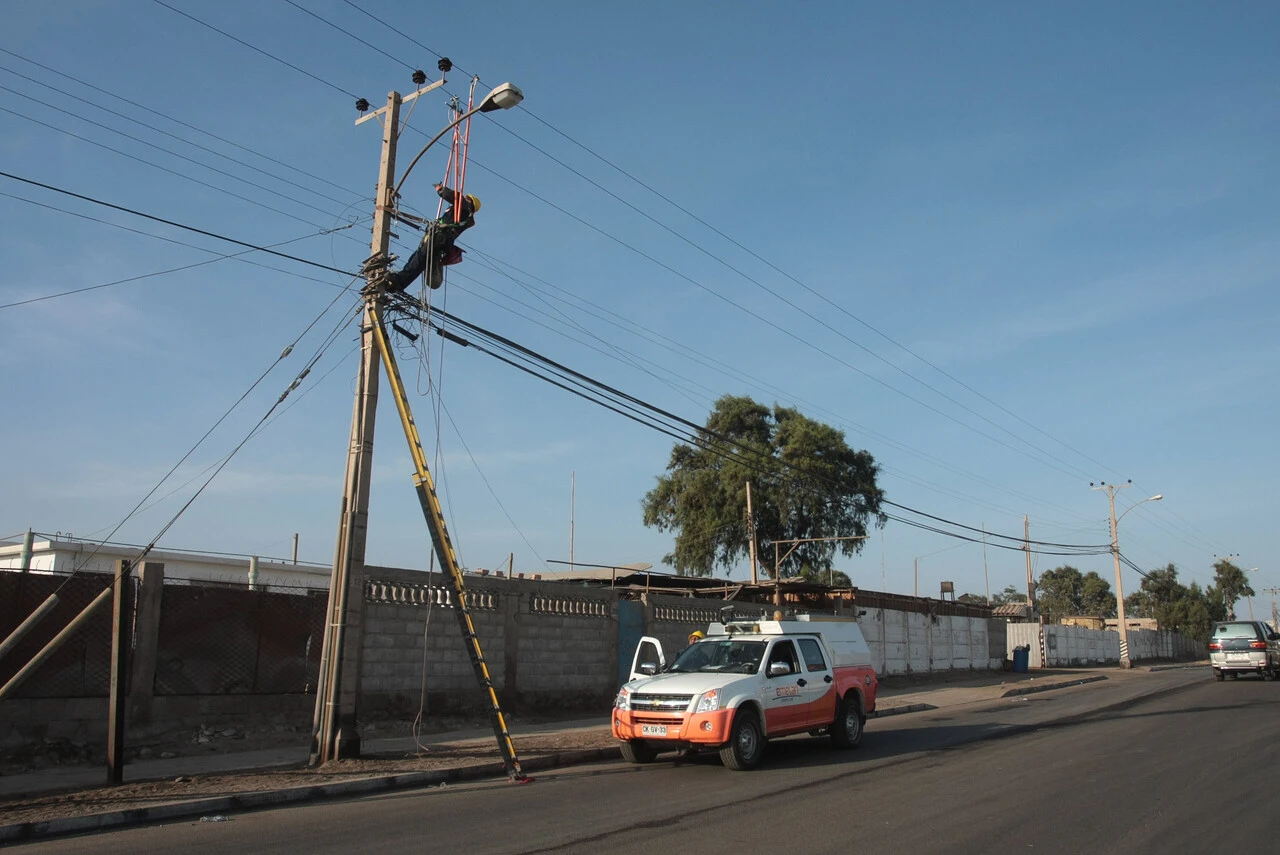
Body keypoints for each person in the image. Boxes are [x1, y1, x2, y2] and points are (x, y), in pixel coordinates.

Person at [384, 183, 480, 292]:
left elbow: (455, 196)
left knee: (420, 259)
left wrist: (441, 190)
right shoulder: (460, 214)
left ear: (470, 204)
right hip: (440, 238)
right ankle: (399, 283)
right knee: (418, 259)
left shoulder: (465, 208)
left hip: (441, 237)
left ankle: (399, 281)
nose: (465, 199)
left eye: (467, 199)